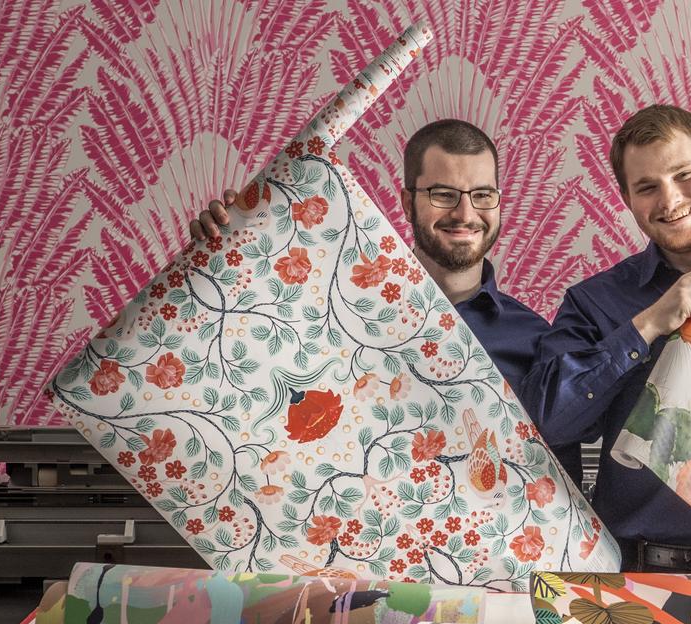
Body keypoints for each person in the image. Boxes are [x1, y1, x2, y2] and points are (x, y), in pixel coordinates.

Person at [191, 119, 582, 480]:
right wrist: (219, 260)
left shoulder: (533, 341)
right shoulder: (335, 309)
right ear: (408, 201)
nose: (465, 213)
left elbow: (557, 494)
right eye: (444, 194)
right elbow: (236, 362)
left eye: (482, 195)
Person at [520, 104, 691, 573]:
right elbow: (544, 423)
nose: (670, 199)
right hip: (649, 577)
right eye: (647, 187)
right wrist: (647, 325)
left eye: (684, 175)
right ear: (627, 198)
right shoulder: (593, 304)